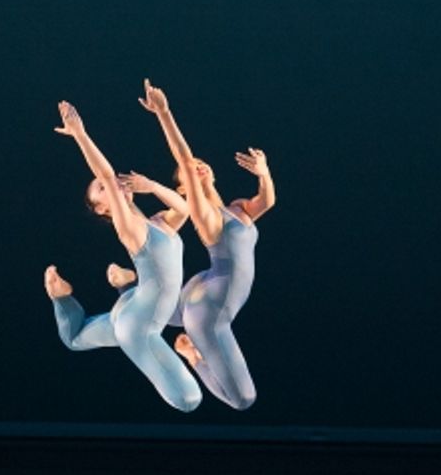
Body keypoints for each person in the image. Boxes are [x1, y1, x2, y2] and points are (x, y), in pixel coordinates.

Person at [45, 101, 202, 413]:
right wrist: (80, 134)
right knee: (189, 401)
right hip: (138, 327)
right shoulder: (129, 229)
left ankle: (74, 296)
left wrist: (152, 185)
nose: (112, 184)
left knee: (75, 338)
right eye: (103, 190)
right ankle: (67, 296)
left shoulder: (157, 223)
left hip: (133, 307)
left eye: (111, 184)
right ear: (104, 209)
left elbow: (184, 209)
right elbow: (104, 172)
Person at [138, 79, 275, 409]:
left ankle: (135, 291)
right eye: (189, 171)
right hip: (208, 312)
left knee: (169, 311)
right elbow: (185, 159)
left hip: (207, 289)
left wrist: (264, 172)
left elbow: (267, 202)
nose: (196, 165)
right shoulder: (205, 215)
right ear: (184, 190)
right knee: (243, 400)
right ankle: (192, 357)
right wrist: (164, 113)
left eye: (201, 162)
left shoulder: (236, 208)